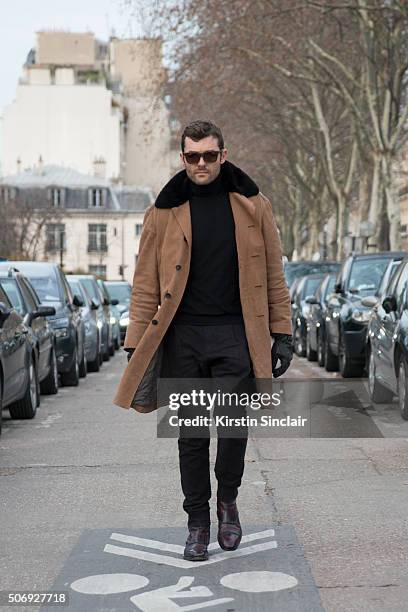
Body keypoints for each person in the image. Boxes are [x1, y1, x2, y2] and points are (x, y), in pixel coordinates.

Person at [114, 120, 293, 562]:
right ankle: (197, 523)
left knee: (233, 430)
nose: (200, 164)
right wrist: (136, 341)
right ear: (182, 158)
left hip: (236, 334)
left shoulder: (254, 206)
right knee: (190, 437)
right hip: (183, 338)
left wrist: (282, 334)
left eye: (208, 156)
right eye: (192, 156)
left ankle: (227, 500)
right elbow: (144, 285)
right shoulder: (162, 212)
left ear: (223, 155)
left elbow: (274, 275)